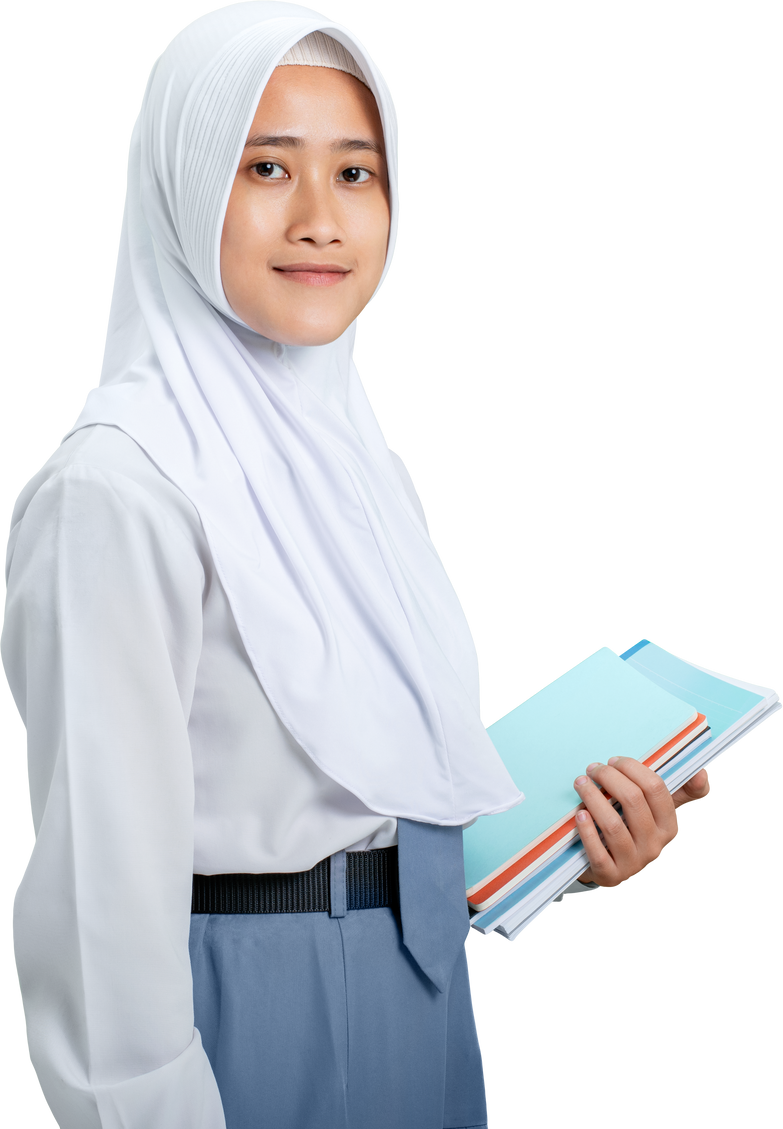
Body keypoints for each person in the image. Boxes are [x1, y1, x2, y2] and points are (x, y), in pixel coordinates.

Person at [0, 4, 700, 1127]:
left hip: (424, 988)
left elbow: (398, 776)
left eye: (358, 173)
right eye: (267, 164)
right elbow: (98, 914)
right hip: (243, 1012)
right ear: (181, 184)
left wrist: (584, 833)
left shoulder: (345, 453)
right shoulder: (118, 491)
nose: (323, 219)